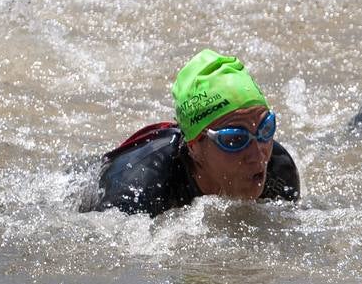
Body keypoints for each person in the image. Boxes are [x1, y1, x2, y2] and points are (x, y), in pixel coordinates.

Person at [79, 49, 300, 217]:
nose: (258, 154)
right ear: (194, 146)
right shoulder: (135, 189)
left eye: (265, 128)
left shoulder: (279, 171)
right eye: (234, 139)